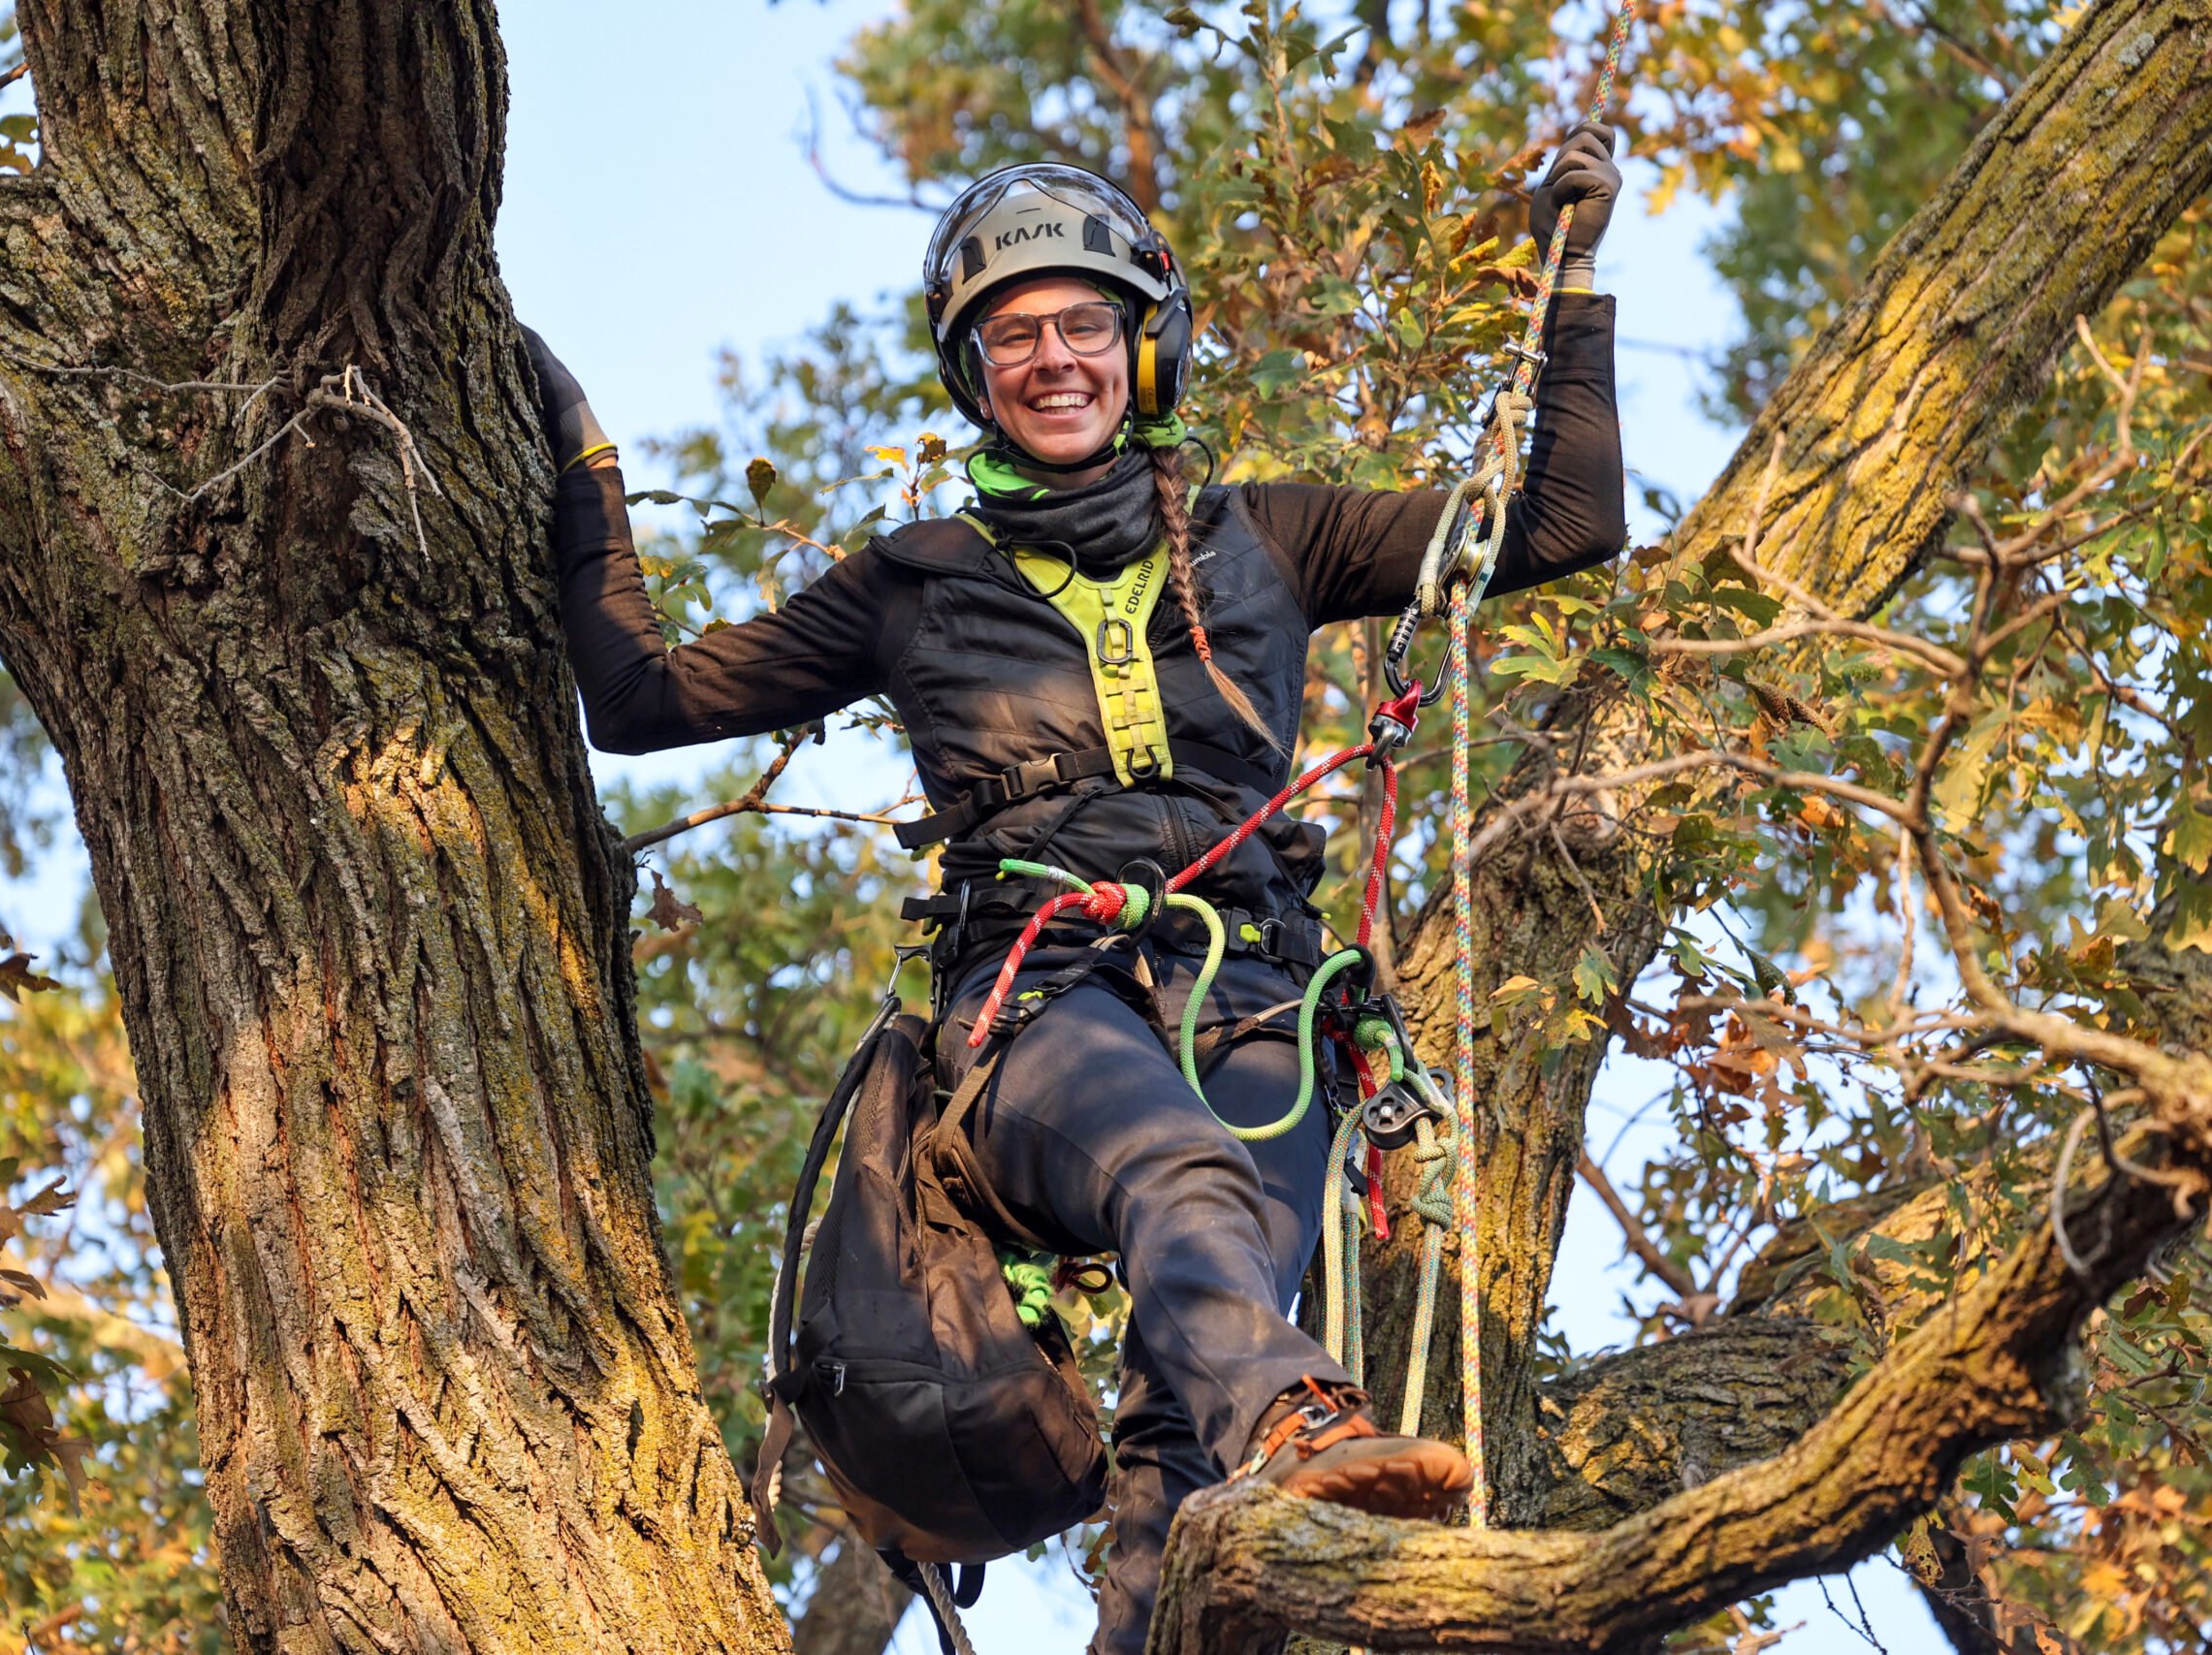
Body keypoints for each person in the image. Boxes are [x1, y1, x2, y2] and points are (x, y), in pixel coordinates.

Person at [532, 131, 1625, 1655]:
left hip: (1261, 991)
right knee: (1189, 1181)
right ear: (975, 374)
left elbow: (1562, 524)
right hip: (1038, 999)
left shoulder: (1272, 538)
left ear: (1145, 350)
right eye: (1016, 335)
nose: (1055, 359)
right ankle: (1308, 1418)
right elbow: (639, 699)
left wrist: (1569, 283)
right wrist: (579, 458)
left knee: (1185, 1441)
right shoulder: (909, 583)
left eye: (1085, 326)